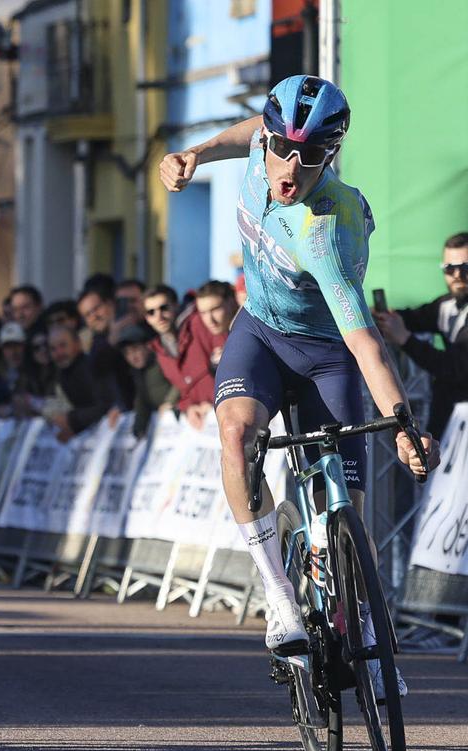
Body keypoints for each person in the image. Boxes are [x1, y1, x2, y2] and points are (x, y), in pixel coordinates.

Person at [160, 75, 437, 700]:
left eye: (310, 157)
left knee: (349, 513)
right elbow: (246, 135)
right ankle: (278, 597)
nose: (290, 166)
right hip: (259, 333)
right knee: (235, 435)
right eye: (282, 148)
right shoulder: (263, 148)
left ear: (330, 155)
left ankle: (364, 627)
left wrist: (402, 424)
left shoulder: (327, 230)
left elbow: (366, 343)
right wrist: (195, 155)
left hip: (327, 355)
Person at [374, 232, 468, 438]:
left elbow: (456, 367)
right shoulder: (446, 304)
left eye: (466, 267)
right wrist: (379, 317)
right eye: (449, 268)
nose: (457, 274)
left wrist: (405, 339)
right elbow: (414, 318)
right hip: (449, 419)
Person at [144, 285, 219, 430]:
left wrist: (215, 403)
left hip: (225, 412)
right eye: (151, 312)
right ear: (147, 318)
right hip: (204, 427)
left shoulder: (199, 324)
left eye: (164, 308)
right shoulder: (159, 349)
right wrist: (188, 407)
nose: (158, 316)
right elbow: (184, 389)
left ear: (175, 306)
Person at [39, 324, 119, 442]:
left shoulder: (91, 368)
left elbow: (107, 406)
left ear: (77, 344)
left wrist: (71, 420)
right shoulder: (62, 373)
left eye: (63, 345)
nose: (59, 353)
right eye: (53, 349)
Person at [114, 323, 178, 440]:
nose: (132, 356)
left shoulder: (162, 359)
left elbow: (180, 381)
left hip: (179, 416)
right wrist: (139, 426)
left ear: (148, 346)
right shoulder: (137, 372)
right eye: (127, 353)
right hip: (164, 426)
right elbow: (141, 399)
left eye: (135, 349)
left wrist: (170, 402)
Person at [77, 285, 135, 408]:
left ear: (110, 304)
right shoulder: (96, 344)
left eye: (96, 308)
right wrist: (112, 340)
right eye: (87, 315)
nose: (94, 316)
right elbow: (96, 367)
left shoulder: (134, 326)